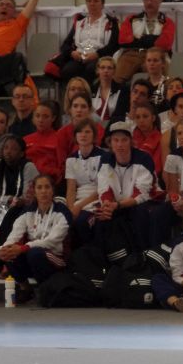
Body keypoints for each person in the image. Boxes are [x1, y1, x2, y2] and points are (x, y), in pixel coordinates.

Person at [0, 174, 72, 303]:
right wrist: (1, 250)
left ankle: (45, 289)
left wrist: (24, 248)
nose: (43, 191)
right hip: (33, 254)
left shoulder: (62, 212)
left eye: (47, 187)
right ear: (35, 192)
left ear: (53, 190)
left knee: (34, 253)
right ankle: (25, 289)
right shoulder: (27, 212)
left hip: (57, 258)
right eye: (39, 187)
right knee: (10, 253)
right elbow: (14, 235)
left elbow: (51, 241)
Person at [95, 121, 161, 252]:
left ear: (131, 141)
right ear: (110, 142)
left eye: (124, 140)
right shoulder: (105, 159)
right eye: (116, 140)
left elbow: (141, 194)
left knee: (139, 213)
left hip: (145, 202)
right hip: (117, 203)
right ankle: (107, 258)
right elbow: (104, 189)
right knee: (101, 215)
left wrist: (117, 205)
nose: (120, 144)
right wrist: (107, 205)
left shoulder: (143, 158)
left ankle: (143, 254)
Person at [44, 0, 118, 82]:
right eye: (89, 1)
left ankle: (89, 91)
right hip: (79, 57)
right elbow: (65, 45)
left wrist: (96, 54)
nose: (92, 4)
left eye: (96, 1)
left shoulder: (111, 22)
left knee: (91, 69)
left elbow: (113, 46)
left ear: (102, 4)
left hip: (100, 57)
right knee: (67, 71)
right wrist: (72, 53)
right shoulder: (79, 22)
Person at [113, 0, 175, 84]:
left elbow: (165, 44)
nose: (149, 2)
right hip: (131, 55)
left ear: (160, 0)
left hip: (156, 56)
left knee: (160, 81)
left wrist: (137, 40)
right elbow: (123, 40)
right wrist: (153, 39)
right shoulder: (131, 19)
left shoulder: (167, 22)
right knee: (116, 81)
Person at [0, 135, 39, 246]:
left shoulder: (28, 167)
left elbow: (26, 200)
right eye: (6, 148)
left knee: (10, 214)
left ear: (21, 153)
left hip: (22, 208)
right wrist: (7, 200)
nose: (8, 151)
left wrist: (7, 201)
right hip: (2, 205)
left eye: (14, 149)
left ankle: (4, 250)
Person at [65, 118, 105, 246]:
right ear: (75, 136)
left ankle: (90, 253)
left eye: (87, 132)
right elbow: (71, 188)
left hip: (97, 198)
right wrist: (71, 209)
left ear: (94, 136)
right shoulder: (71, 159)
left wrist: (79, 207)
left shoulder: (104, 156)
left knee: (82, 221)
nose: (83, 135)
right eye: (80, 132)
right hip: (78, 200)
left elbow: (102, 188)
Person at [23, 101, 63, 189]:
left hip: (51, 183)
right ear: (33, 118)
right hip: (28, 183)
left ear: (53, 118)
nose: (41, 120)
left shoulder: (60, 139)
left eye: (45, 116)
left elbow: (61, 167)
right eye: (37, 116)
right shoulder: (25, 140)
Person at [57, 93, 105, 163]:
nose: (79, 110)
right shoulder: (62, 133)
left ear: (89, 110)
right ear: (70, 109)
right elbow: (62, 161)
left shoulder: (98, 130)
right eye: (75, 106)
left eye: (83, 106)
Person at [91, 56, 128, 124]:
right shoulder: (91, 89)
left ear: (114, 71)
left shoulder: (122, 90)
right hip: (92, 125)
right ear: (98, 70)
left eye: (109, 68)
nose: (106, 71)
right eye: (102, 67)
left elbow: (121, 115)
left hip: (113, 126)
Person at [132, 102, 163, 177]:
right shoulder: (130, 138)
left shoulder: (161, 139)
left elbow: (156, 167)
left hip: (150, 177)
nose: (141, 120)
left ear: (153, 118)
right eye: (138, 117)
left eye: (145, 116)